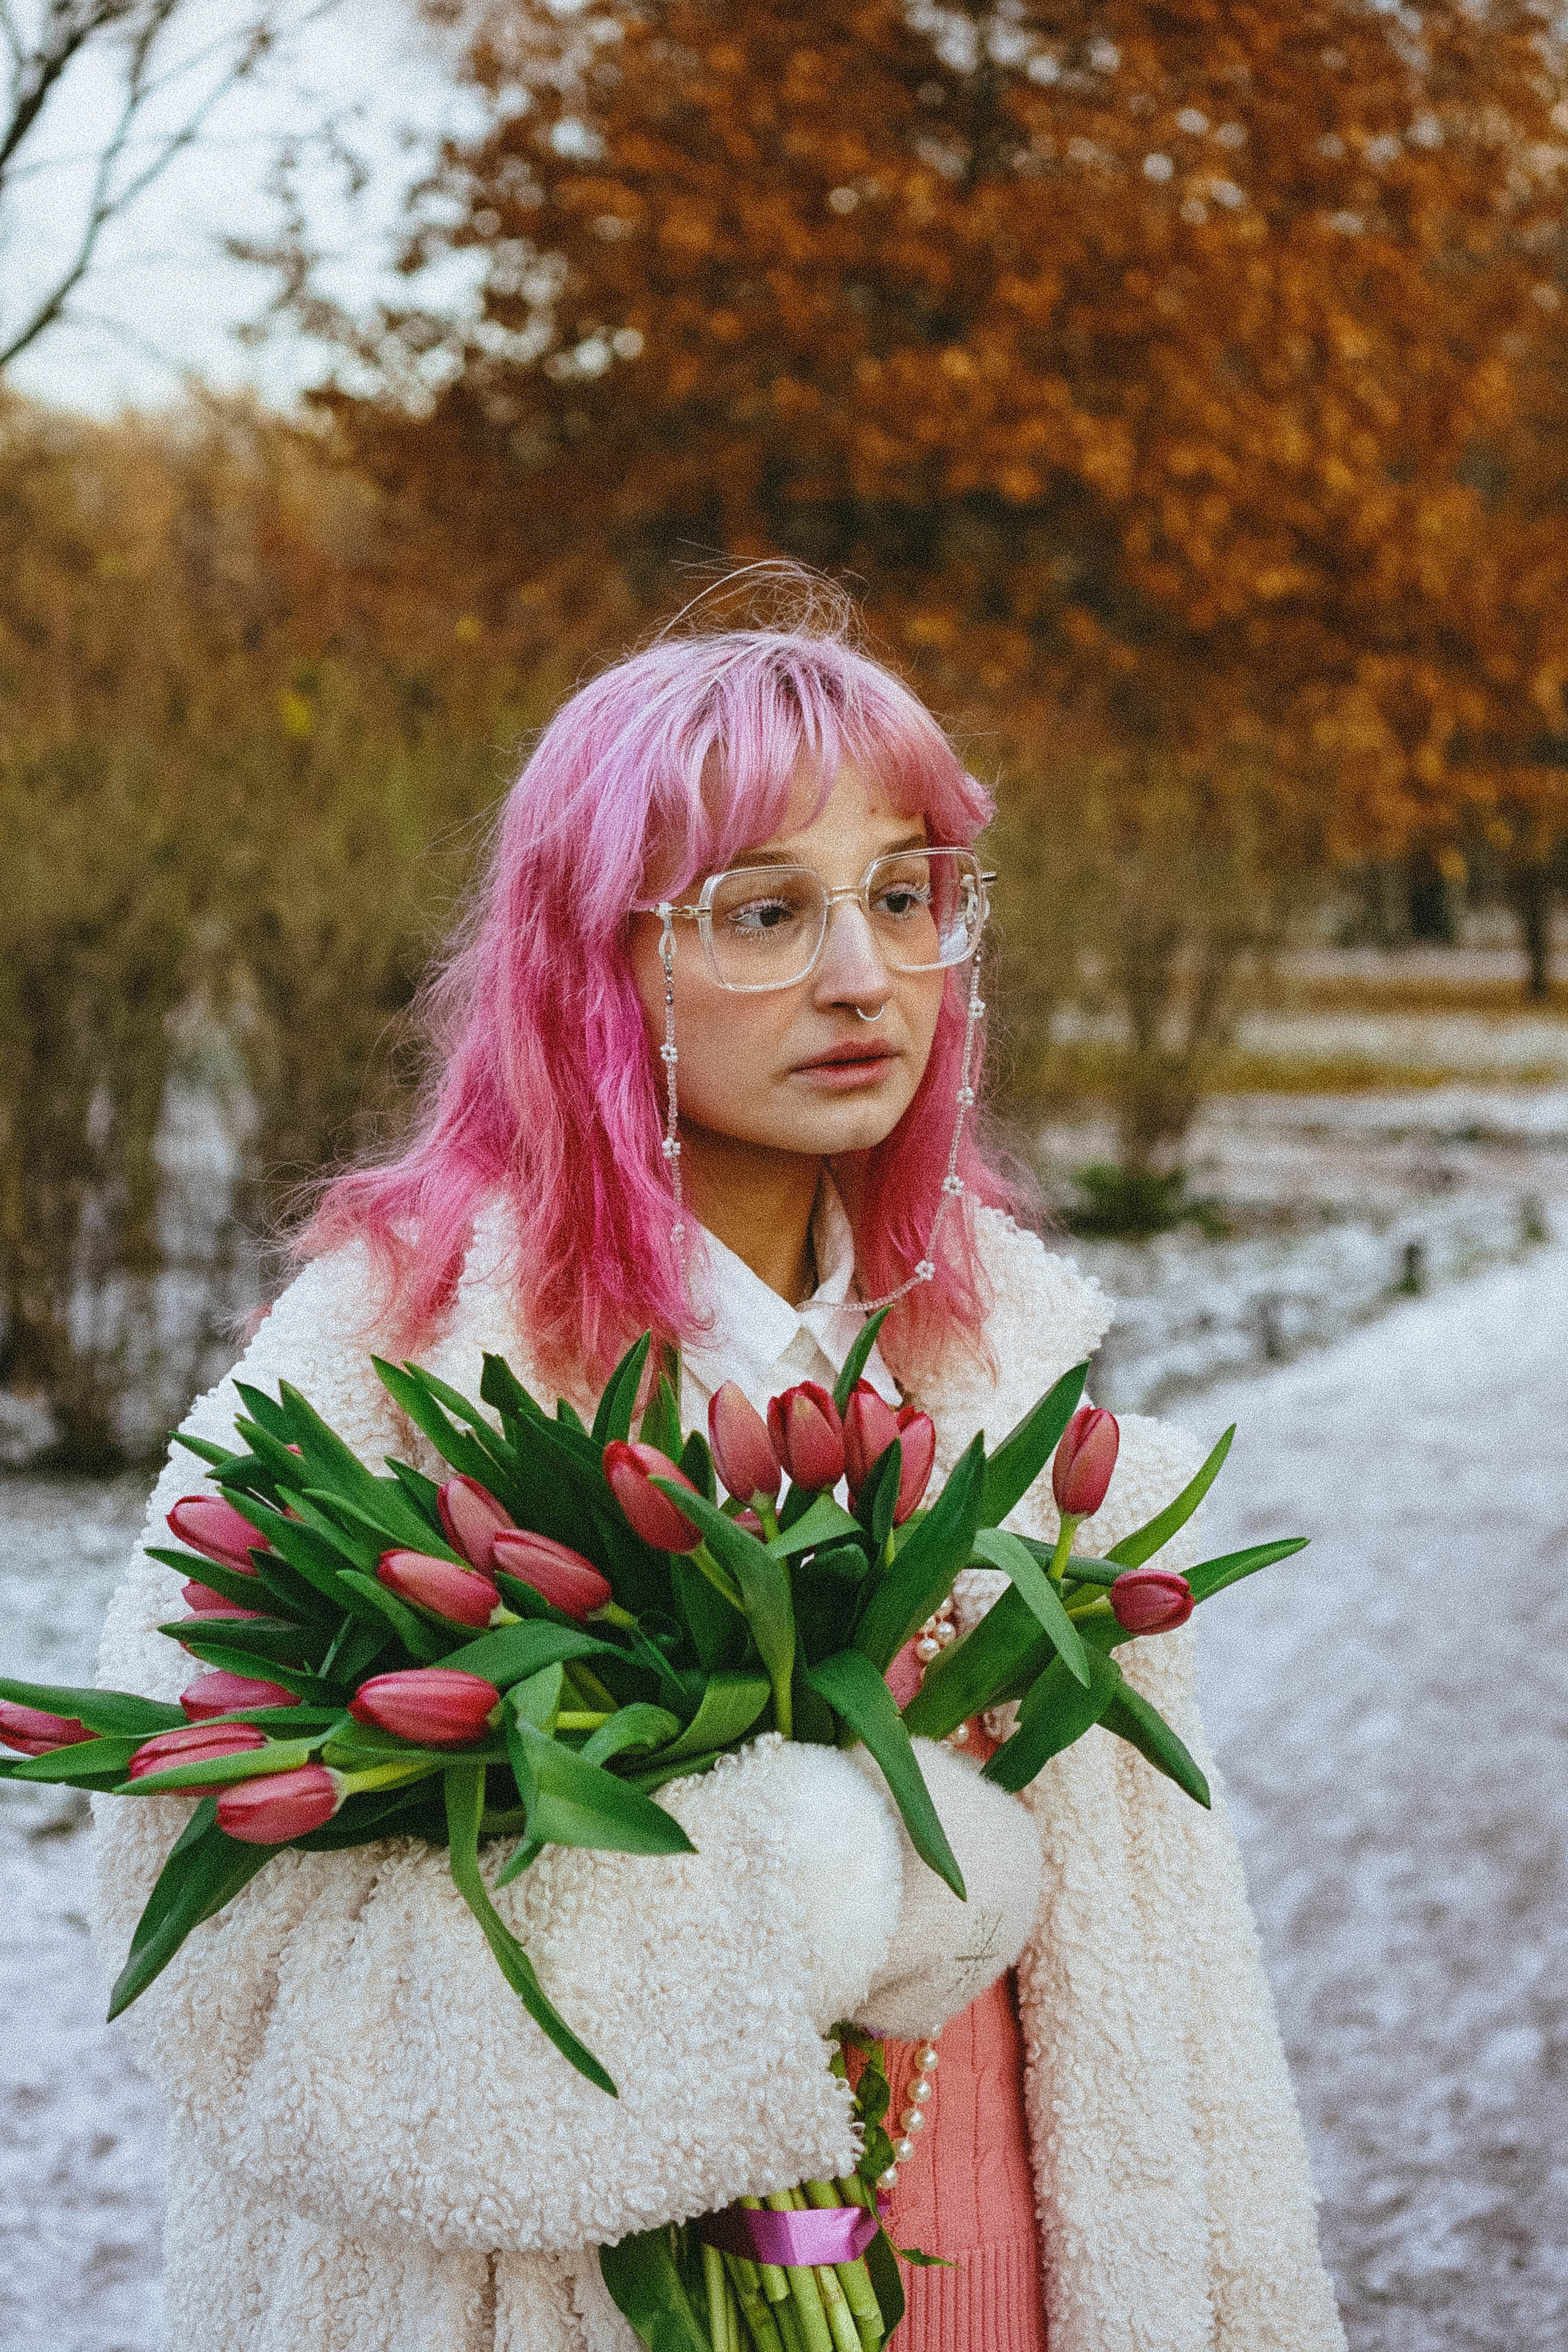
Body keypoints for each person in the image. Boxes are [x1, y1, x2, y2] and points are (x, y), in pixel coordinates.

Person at [90, 608, 1346, 2352]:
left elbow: (1181, 2028)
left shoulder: (1002, 1372)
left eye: (904, 896)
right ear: (595, 965)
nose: (863, 975)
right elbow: (226, 1975)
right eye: (767, 912)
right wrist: (804, 1885)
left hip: (1033, 2288)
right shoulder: (384, 1372)